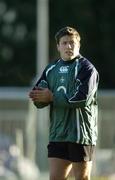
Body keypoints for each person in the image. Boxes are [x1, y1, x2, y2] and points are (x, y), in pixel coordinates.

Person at [29, 26, 99, 180]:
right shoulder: (51, 69)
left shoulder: (87, 68)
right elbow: (39, 97)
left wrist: (52, 97)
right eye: (65, 42)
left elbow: (81, 98)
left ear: (78, 45)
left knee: (82, 178)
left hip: (80, 135)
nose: (68, 46)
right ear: (58, 46)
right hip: (58, 134)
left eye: (72, 43)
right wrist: (39, 98)